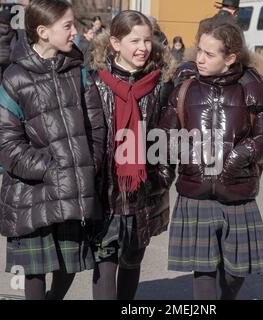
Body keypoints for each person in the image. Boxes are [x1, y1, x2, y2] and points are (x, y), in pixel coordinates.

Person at [159, 18, 263, 300]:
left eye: (209, 54)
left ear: (230, 58)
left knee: (236, 270)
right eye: (199, 51)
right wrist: (167, 174)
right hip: (195, 193)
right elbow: (166, 137)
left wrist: (242, 154)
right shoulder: (185, 88)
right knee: (203, 272)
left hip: (237, 191)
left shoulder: (250, 86)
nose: (199, 58)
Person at [0, 0, 106, 300]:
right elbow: (5, 144)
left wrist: (86, 167)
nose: (75, 32)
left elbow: (97, 129)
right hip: (32, 190)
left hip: (75, 186)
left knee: (70, 264)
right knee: (36, 271)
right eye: (67, 26)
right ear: (42, 31)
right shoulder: (14, 79)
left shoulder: (79, 72)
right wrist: (52, 170)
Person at [89, 10, 175, 300]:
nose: (142, 48)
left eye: (147, 40)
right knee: (105, 258)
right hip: (105, 190)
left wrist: (162, 177)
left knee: (132, 258)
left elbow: (167, 138)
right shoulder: (94, 83)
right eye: (134, 41)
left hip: (144, 188)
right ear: (115, 43)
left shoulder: (161, 84)